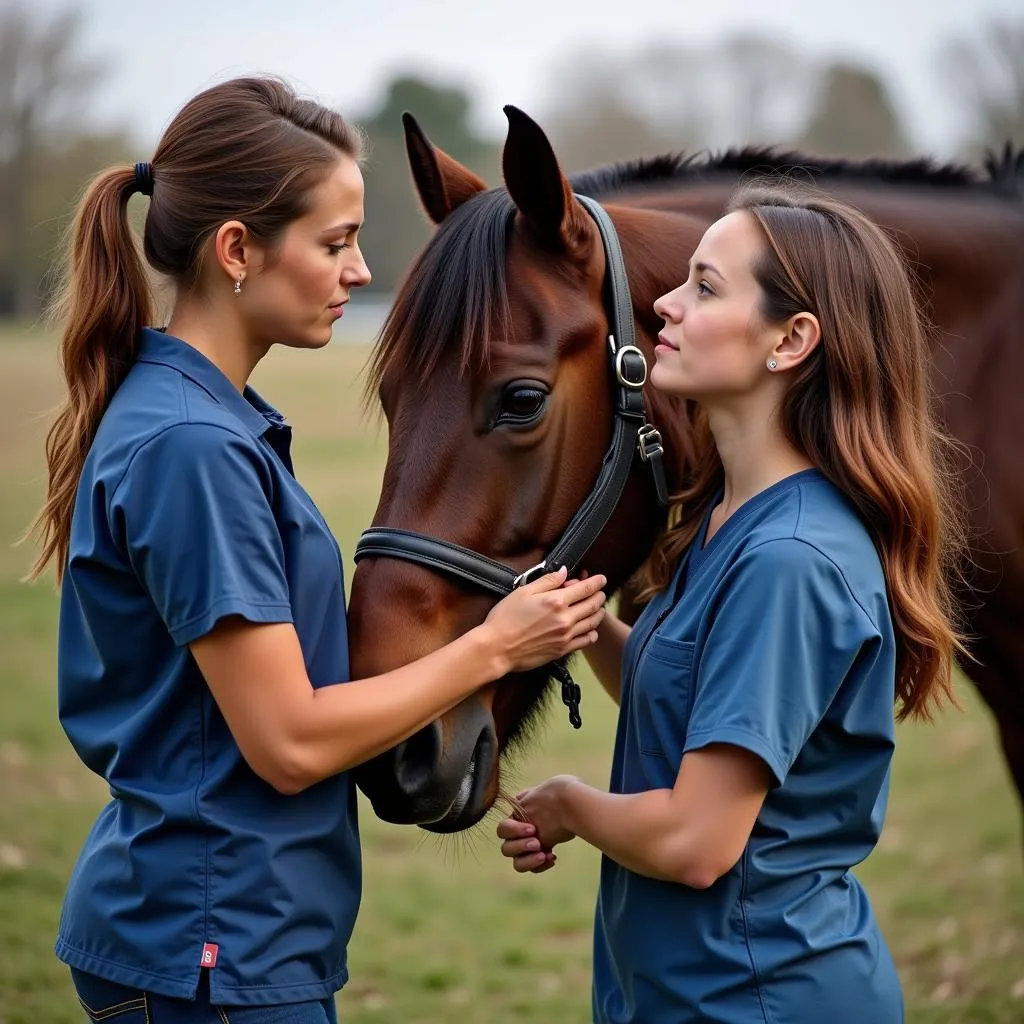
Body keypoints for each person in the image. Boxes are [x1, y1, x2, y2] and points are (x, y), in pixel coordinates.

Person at [26, 75, 607, 1023]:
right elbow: (289, 742)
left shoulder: (211, 420)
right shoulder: (193, 449)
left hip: (229, 940)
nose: (361, 270)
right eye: (335, 242)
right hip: (212, 953)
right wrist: (497, 646)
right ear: (237, 251)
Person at [496, 184, 968, 1023]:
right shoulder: (729, 519)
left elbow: (696, 840)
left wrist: (568, 804)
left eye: (706, 288)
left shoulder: (789, 559)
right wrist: (578, 621)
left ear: (790, 341)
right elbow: (686, 699)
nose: (665, 305)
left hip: (760, 997)